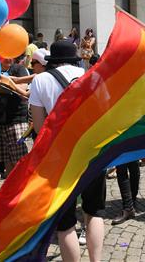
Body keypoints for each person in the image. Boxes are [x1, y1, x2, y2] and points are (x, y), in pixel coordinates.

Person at [29, 40, 106, 262]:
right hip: (91, 151)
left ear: (52, 59)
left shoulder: (40, 80)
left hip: (59, 156)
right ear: (74, 57)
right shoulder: (91, 76)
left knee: (65, 221)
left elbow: (38, 126)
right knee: (94, 211)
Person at [0, 58, 30, 182]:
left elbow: (23, 89)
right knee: (6, 159)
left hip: (16, 120)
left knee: (19, 160)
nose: (8, 58)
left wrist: (1, 81)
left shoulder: (19, 69)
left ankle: (22, 189)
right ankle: (11, 190)